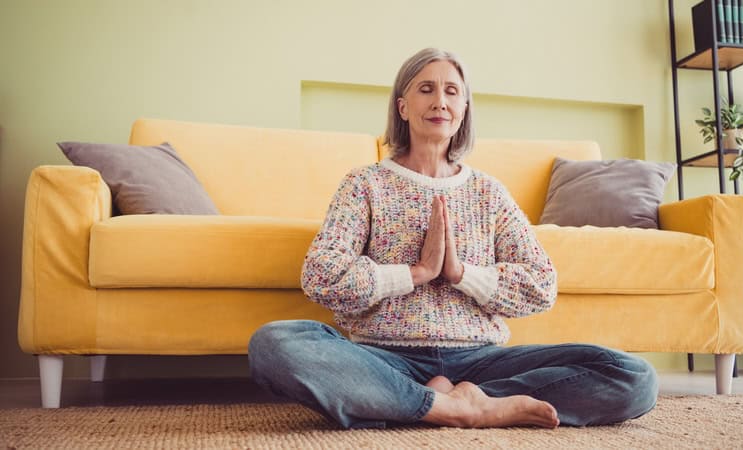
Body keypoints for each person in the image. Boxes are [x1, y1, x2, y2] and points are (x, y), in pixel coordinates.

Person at [249, 48, 658, 430]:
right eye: (425, 89)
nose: (439, 101)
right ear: (403, 107)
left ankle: (460, 401)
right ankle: (450, 408)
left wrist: (461, 273)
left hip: (480, 360)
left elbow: (541, 284)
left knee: (633, 375)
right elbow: (322, 276)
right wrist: (415, 272)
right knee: (274, 343)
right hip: (384, 357)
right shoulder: (365, 184)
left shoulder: (489, 192)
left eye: (451, 92)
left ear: (463, 109)